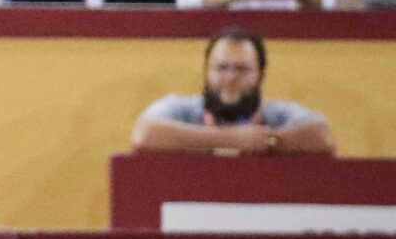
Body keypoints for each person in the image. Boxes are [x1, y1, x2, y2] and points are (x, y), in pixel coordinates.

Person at [131, 28, 333, 158]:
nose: (230, 78)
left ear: (260, 76)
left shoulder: (279, 113)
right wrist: (232, 139)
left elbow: (322, 137)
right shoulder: (182, 108)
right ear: (206, 73)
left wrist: (270, 142)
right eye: (221, 68)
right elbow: (144, 134)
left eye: (242, 69)